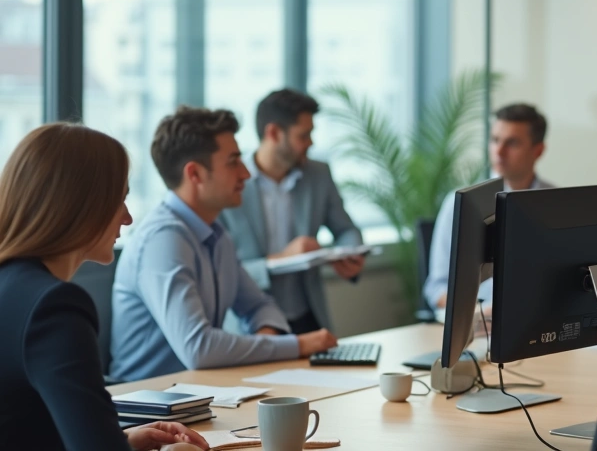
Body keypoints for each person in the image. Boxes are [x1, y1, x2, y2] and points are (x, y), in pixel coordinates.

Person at [0, 123, 209, 451]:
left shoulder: (11, 286)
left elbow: (22, 427)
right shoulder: (54, 307)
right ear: (80, 204)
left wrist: (124, 440)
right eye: (119, 200)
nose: (126, 218)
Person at [110, 106, 338, 382]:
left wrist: (266, 342)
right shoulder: (164, 238)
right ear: (194, 174)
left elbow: (258, 305)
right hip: (148, 409)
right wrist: (298, 345)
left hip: (200, 395)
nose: (245, 173)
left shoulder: (216, 234)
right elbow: (199, 348)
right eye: (233, 162)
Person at [221, 89, 364, 334]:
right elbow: (221, 272)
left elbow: (346, 229)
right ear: (274, 133)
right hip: (252, 325)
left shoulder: (318, 175)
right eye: (304, 135)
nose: (311, 143)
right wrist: (283, 257)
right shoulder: (229, 183)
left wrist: (349, 252)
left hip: (309, 319)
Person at [422, 103, 552, 312]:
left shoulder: (557, 202)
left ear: (538, 151)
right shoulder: (461, 201)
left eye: (512, 143)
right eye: (495, 140)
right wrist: (482, 312)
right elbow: (437, 288)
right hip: (478, 325)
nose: (499, 151)